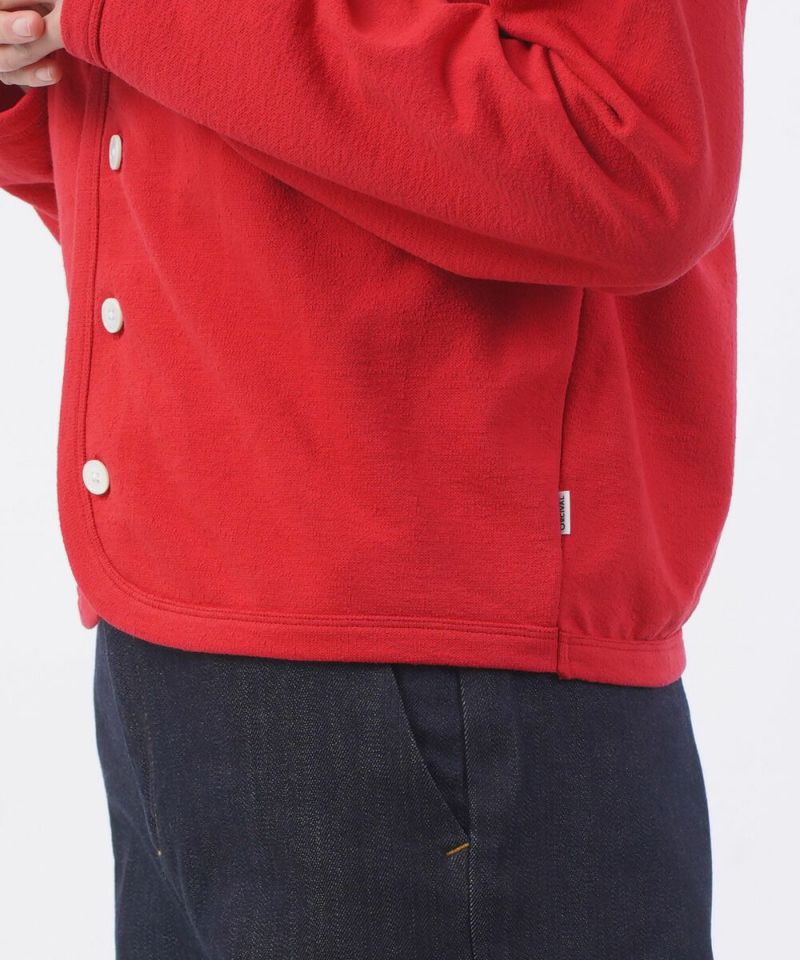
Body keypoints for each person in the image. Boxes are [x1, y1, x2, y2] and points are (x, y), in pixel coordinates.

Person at [1, 0, 747, 957]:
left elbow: (631, 160)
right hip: (172, 643)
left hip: (438, 663)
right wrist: (41, 50)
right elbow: (198, 161)